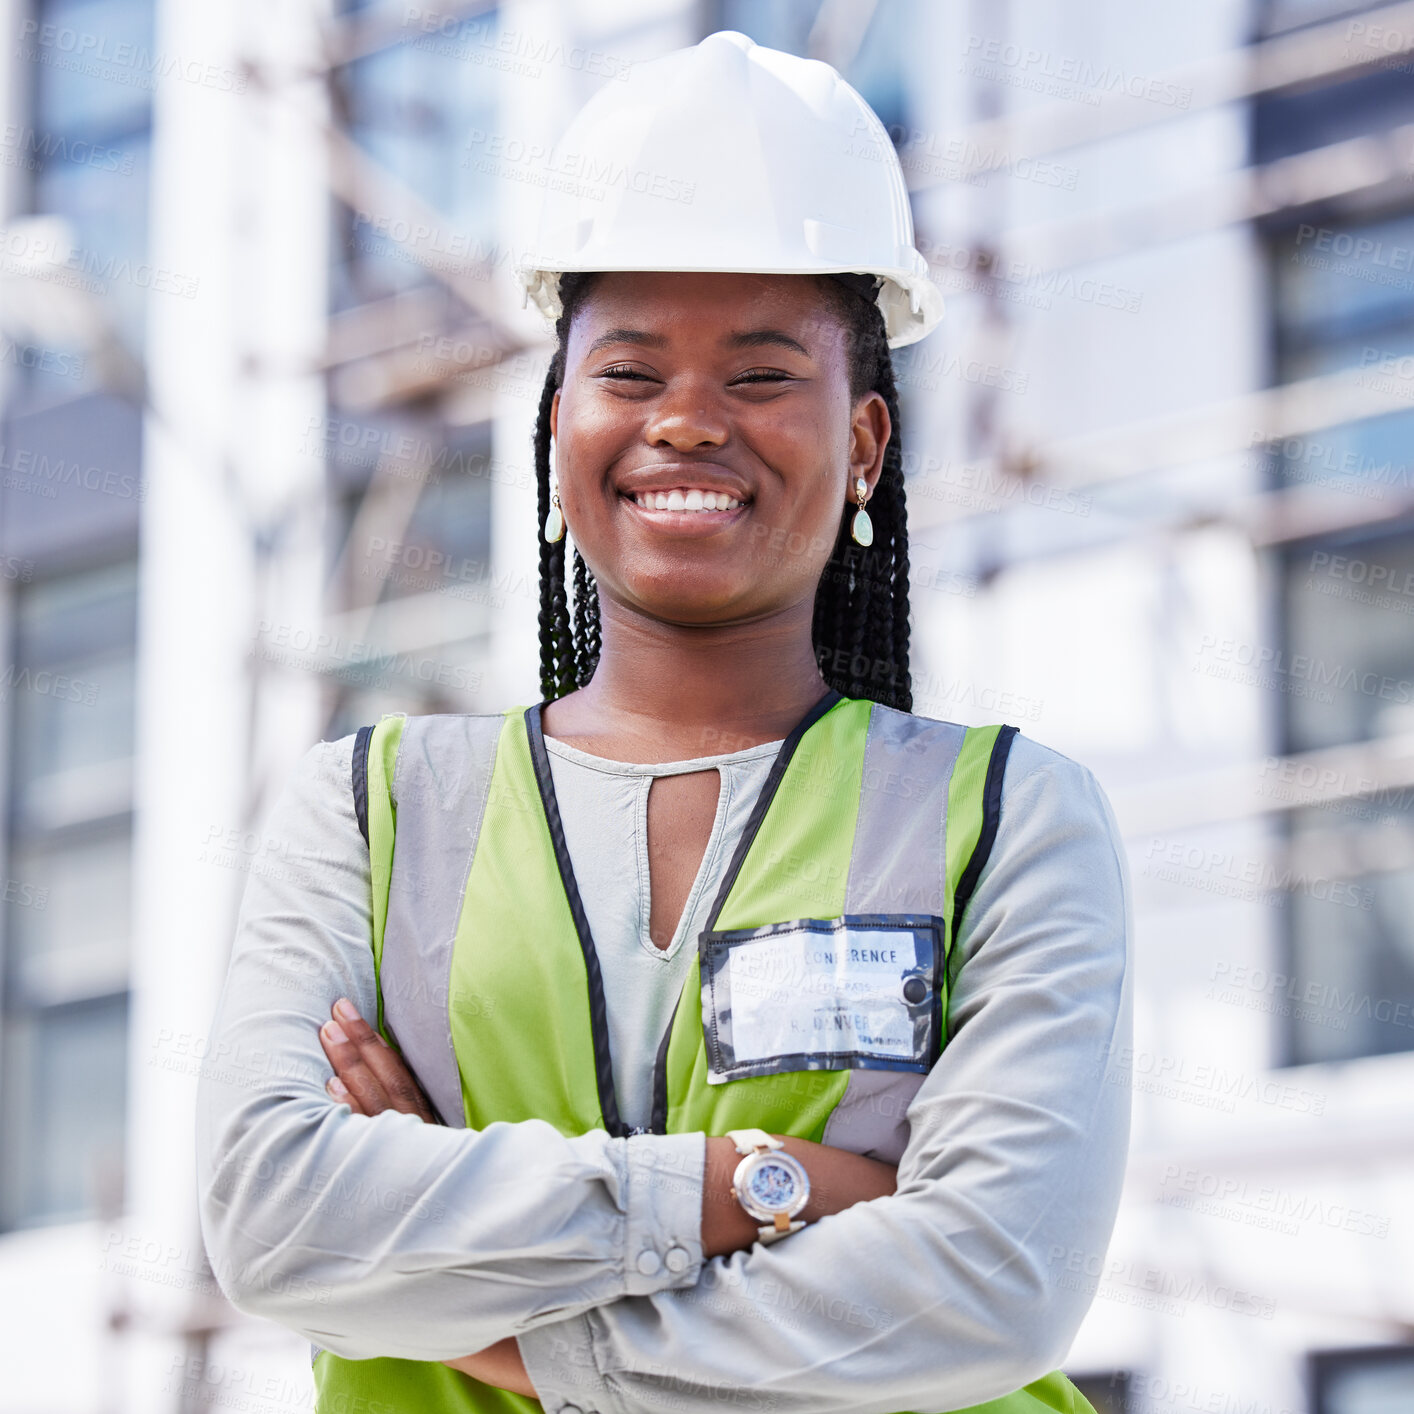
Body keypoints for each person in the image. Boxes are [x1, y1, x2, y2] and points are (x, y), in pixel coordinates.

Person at [195, 30, 1132, 1414]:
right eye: (630, 372)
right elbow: (274, 1218)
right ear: (559, 416)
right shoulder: (372, 808)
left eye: (760, 374)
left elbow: (991, 1282)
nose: (688, 420)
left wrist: (488, 1305)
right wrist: (744, 1186)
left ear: (864, 438)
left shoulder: (1003, 817)